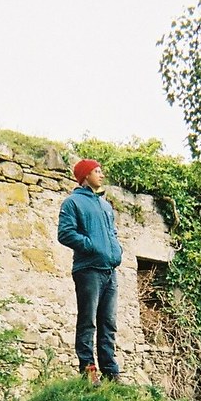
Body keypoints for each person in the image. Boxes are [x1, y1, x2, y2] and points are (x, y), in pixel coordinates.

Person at [57, 159, 123, 385]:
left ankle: (110, 372)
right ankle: (88, 370)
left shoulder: (105, 205)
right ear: (85, 176)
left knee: (108, 323)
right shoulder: (72, 203)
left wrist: (117, 250)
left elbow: (113, 233)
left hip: (110, 271)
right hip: (88, 270)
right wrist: (91, 246)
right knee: (88, 322)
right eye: (97, 171)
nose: (101, 175)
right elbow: (65, 234)